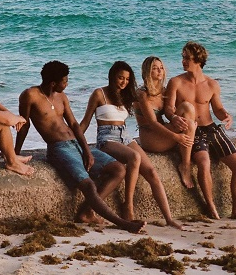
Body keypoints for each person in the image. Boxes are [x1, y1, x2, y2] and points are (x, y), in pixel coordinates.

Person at [14, 60, 145, 233]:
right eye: (65, 81)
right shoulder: (30, 95)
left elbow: (74, 125)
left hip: (76, 143)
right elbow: (25, 126)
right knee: (88, 185)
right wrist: (14, 153)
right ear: (53, 83)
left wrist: (87, 151)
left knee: (119, 169)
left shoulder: (62, 97)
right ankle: (123, 223)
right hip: (59, 148)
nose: (67, 84)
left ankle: (86, 212)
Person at [80, 61, 183, 229]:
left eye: (127, 79)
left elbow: (149, 99)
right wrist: (76, 144)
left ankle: (169, 218)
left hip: (125, 136)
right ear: (112, 76)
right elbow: (84, 123)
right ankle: (128, 208)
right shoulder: (99, 94)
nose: (123, 82)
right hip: (107, 138)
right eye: (120, 78)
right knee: (134, 157)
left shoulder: (126, 95)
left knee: (151, 171)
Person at [165, 42, 236, 219]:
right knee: (204, 163)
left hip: (211, 128)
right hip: (192, 130)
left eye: (187, 58)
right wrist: (174, 117)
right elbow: (169, 108)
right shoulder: (176, 82)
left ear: (198, 60)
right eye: (183, 57)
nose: (183, 61)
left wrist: (226, 115)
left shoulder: (211, 84)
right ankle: (211, 207)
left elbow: (217, 109)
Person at [136, 56, 197, 189]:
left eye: (161, 68)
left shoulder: (163, 91)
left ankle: (187, 149)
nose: (159, 71)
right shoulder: (142, 94)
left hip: (163, 132)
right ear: (147, 72)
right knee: (190, 125)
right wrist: (176, 137)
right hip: (150, 138)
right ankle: (185, 166)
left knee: (187, 107)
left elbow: (172, 111)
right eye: (155, 68)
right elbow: (152, 122)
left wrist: (175, 118)